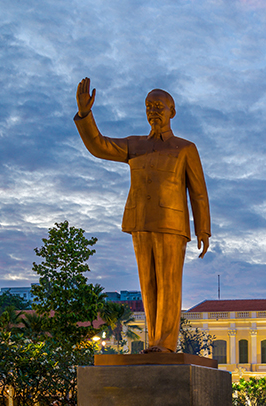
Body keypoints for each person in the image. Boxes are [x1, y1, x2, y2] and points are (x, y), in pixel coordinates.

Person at [74, 78, 211, 354]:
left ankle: (166, 343)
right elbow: (99, 145)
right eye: (148, 107)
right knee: (148, 285)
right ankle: (153, 343)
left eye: (159, 106)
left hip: (172, 224)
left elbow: (198, 192)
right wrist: (85, 114)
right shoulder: (134, 145)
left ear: (172, 111)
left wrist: (203, 230)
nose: (153, 112)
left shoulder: (184, 148)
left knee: (169, 283)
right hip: (140, 222)